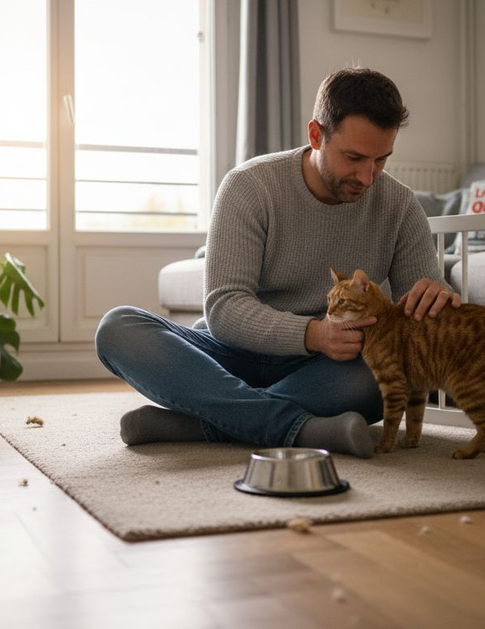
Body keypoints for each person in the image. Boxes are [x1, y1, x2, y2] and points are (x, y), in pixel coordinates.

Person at [95, 67, 460, 458]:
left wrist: (438, 297)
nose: (367, 177)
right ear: (316, 134)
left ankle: (202, 423)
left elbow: (420, 315)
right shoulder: (250, 186)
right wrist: (315, 334)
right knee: (119, 328)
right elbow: (224, 309)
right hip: (231, 356)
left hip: (329, 368)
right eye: (354, 158)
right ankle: (295, 428)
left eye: (381, 160)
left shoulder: (400, 206)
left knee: (382, 377)